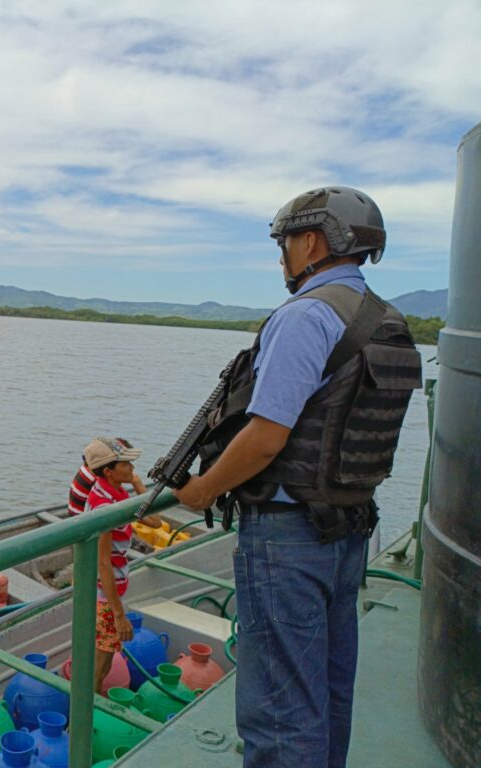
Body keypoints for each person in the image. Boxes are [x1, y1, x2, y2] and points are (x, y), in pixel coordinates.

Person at [174, 187, 421, 767]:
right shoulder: (387, 320)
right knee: (328, 693)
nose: (282, 255)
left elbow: (265, 437)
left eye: (284, 241)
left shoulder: (306, 315)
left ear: (311, 241)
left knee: (280, 710)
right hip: (348, 529)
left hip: (287, 537)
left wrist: (201, 491)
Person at [81, 436, 145, 692]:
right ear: (108, 471)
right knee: (100, 665)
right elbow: (102, 564)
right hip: (103, 593)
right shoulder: (103, 505)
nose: (132, 469)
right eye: (125, 465)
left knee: (105, 658)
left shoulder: (118, 492)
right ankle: (85, 716)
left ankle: (91, 706)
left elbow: (153, 522)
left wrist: (138, 484)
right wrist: (118, 614)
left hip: (112, 588)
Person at [67, 437, 147, 516]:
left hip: (74, 513)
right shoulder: (97, 480)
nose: (132, 467)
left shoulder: (91, 467)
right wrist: (136, 482)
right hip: (81, 518)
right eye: (125, 463)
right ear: (107, 470)